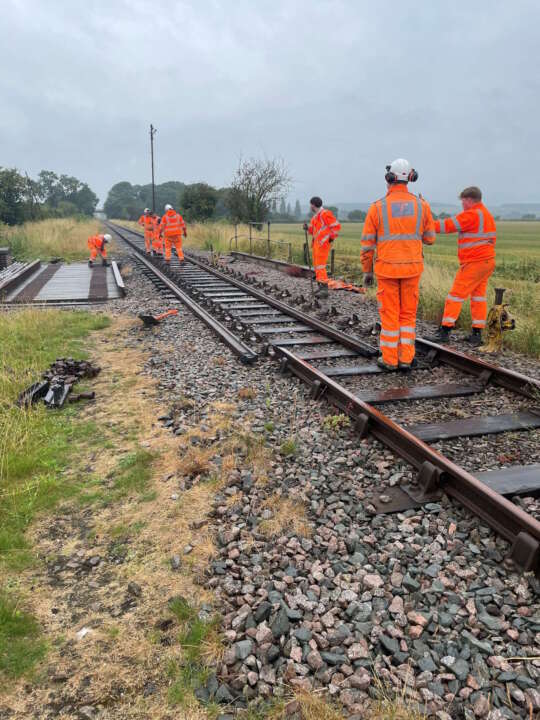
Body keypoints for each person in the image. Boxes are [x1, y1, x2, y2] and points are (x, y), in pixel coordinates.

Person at [361, 159, 436, 371]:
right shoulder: (422, 206)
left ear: (389, 179)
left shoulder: (377, 208)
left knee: (390, 314)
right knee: (408, 315)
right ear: (410, 178)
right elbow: (430, 239)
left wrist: (367, 270)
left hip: (387, 269)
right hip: (412, 269)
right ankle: (406, 358)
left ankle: (390, 359)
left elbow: (367, 246)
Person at [430, 187, 496, 346]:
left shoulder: (472, 214)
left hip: (475, 262)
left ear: (469, 200)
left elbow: (446, 226)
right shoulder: (485, 214)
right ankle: (476, 334)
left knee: (455, 295)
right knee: (478, 297)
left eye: (463, 201)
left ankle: (445, 331)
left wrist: (426, 224)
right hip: (487, 262)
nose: (462, 204)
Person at [303, 197, 341, 298]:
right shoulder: (316, 217)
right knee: (317, 267)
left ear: (313, 204)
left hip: (323, 244)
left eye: (310, 204)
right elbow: (313, 231)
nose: (310, 206)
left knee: (320, 267)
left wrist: (330, 238)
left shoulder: (325, 214)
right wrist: (308, 228)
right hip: (317, 245)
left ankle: (324, 289)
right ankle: (321, 287)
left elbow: (336, 227)